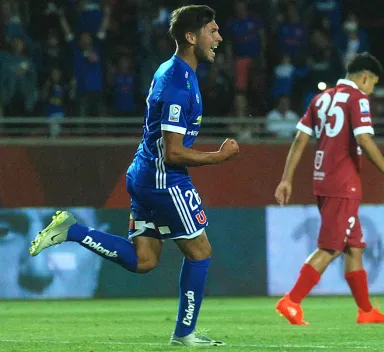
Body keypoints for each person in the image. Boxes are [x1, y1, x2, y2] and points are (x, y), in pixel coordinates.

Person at [29, 5, 239, 347]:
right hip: (163, 179)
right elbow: (172, 152)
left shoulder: (171, 71)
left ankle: (73, 230)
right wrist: (220, 156)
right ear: (191, 37)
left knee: (144, 260)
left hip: (143, 173)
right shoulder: (178, 82)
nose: (219, 37)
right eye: (212, 31)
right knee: (200, 251)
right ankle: (184, 335)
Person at [274, 52, 384, 325]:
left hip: (323, 180)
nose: (371, 90)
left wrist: (286, 179)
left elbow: (299, 140)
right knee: (331, 247)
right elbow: (365, 140)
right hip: (343, 184)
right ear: (366, 77)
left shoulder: (321, 98)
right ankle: (292, 301)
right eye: (372, 84)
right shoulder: (358, 99)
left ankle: (366, 311)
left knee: (354, 247)